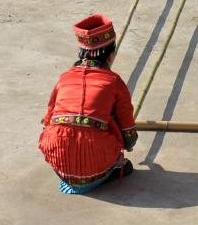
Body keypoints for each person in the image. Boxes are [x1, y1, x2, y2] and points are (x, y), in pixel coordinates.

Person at [38, 14, 138, 194]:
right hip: (96, 157)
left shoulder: (64, 77)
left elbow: (48, 119)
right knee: (125, 162)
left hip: (58, 155)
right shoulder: (113, 81)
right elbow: (128, 130)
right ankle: (97, 171)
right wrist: (129, 143)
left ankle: (69, 172)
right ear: (111, 55)